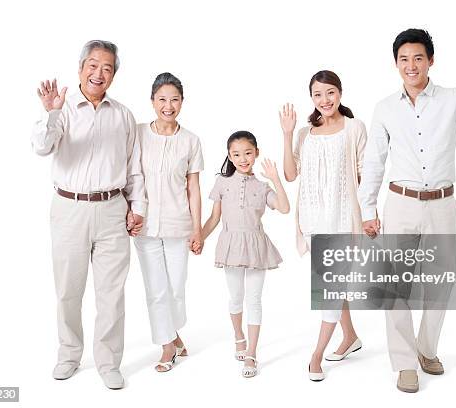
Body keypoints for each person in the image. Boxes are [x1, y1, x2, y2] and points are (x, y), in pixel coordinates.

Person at [358, 29, 456, 393]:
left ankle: (426, 349)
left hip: (442, 204)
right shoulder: (385, 108)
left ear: (431, 61)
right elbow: (373, 161)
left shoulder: (452, 99)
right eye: (404, 59)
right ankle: (405, 363)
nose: (411, 65)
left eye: (418, 58)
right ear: (396, 64)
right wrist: (368, 207)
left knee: (440, 285)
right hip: (401, 204)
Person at [31, 40, 146, 390]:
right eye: (93, 65)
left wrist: (137, 207)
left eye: (107, 67)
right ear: (80, 68)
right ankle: (69, 354)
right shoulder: (62, 110)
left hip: (113, 209)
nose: (99, 73)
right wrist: (51, 112)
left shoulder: (123, 115)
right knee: (69, 289)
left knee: (112, 293)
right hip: (69, 209)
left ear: (113, 75)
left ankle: (109, 361)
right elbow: (41, 147)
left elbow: (134, 168)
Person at [280, 70, 367, 381]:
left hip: (342, 222)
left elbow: (364, 175)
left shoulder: (355, 128)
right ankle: (350, 337)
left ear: (340, 93)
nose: (325, 100)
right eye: (318, 94)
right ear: (312, 98)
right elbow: (291, 176)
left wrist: (369, 214)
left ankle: (316, 355)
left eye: (330, 92)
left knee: (328, 290)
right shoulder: (305, 134)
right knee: (334, 286)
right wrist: (288, 133)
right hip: (313, 222)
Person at [128, 72, 204, 373]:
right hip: (144, 226)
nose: (168, 106)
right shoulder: (137, 133)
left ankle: (173, 333)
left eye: (174, 100)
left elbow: (193, 188)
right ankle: (167, 346)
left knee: (175, 288)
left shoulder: (191, 141)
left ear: (182, 102)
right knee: (156, 289)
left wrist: (197, 228)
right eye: (162, 99)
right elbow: (130, 177)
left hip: (178, 225)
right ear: (152, 101)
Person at [202, 131, 290, 378]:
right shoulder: (222, 182)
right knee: (236, 297)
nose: (243, 158)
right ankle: (238, 335)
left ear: (256, 153)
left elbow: (284, 208)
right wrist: (198, 237)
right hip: (230, 244)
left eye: (248, 153)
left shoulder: (262, 187)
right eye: (236, 154)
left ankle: (252, 352)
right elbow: (214, 218)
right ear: (229, 156)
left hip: (256, 246)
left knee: (254, 300)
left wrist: (275, 179)